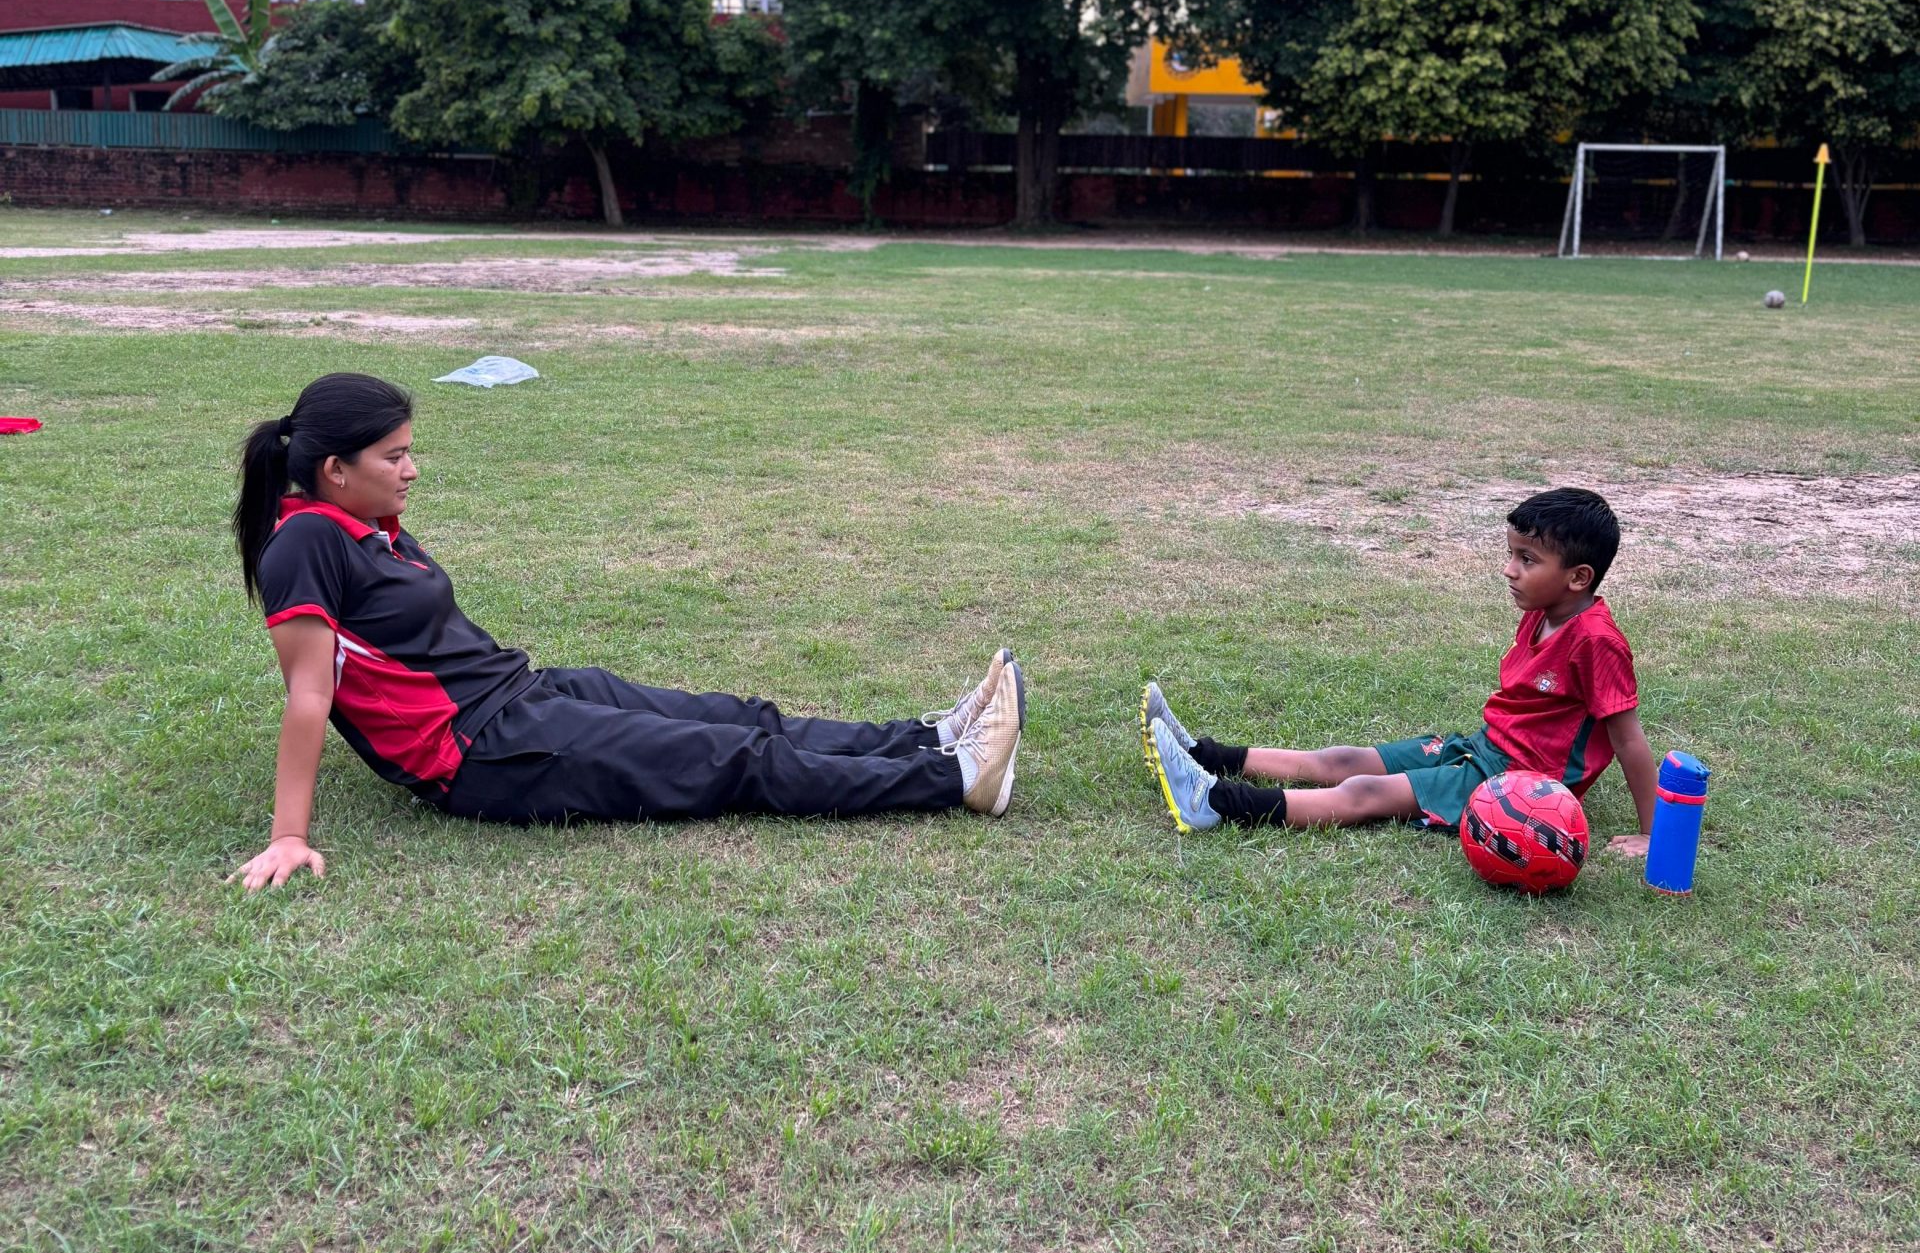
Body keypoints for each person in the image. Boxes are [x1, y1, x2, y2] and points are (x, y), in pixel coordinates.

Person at [229, 372, 1024, 894]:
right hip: (481, 754)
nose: (412, 470)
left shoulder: (370, 524)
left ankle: (929, 738)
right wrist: (288, 837)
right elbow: (309, 694)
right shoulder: (304, 543)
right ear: (335, 469)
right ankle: (956, 781)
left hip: (526, 694)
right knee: (732, 763)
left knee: (738, 717)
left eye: (410, 452)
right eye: (394, 456)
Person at [1140, 487, 1657, 858]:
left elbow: (1629, 741)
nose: (1509, 569)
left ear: (1578, 577)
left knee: (1365, 792)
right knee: (1344, 758)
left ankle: (1214, 802)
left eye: (1527, 559)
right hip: (1480, 749)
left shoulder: (1597, 641)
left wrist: (1653, 835)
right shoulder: (1543, 614)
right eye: (1510, 554)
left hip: (1514, 786)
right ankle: (1202, 755)